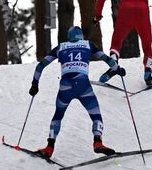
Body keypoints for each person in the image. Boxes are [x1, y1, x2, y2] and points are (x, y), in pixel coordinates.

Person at [29, 26, 125, 157]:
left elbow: (41, 65)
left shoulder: (61, 47)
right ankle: (98, 142)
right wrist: (118, 69)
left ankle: (49, 147)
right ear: (81, 36)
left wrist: (35, 84)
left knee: (58, 115)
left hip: (65, 86)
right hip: (83, 86)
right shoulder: (88, 45)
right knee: (96, 115)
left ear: (69, 36)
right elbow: (107, 59)